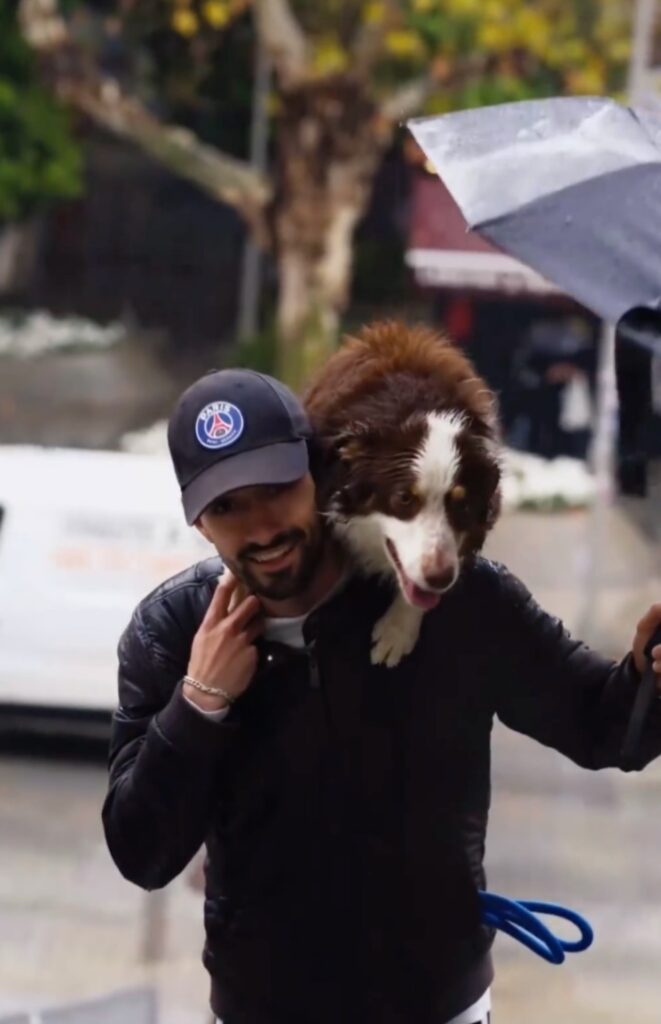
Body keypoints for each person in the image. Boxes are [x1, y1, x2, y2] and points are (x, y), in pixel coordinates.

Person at [103, 365, 661, 1024]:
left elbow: (602, 727)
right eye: (226, 507)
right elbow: (142, 853)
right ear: (198, 522)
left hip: (435, 1005)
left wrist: (647, 674)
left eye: (277, 489)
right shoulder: (171, 630)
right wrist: (199, 706)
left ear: (320, 476)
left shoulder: (451, 598)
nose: (260, 528)